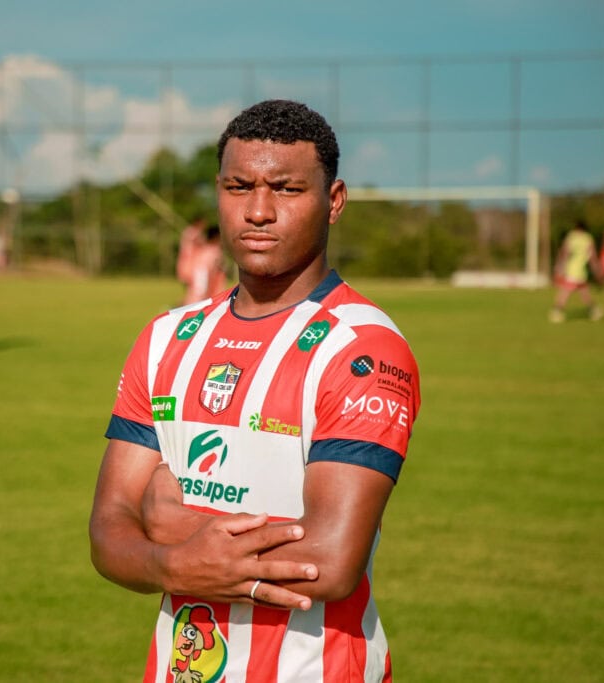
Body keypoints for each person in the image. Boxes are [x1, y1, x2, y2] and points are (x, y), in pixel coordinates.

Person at [89, 100, 421, 682]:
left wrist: (172, 530)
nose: (259, 211)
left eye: (287, 190)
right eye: (239, 187)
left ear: (334, 201)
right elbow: (108, 532)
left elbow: (330, 561)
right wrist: (171, 566)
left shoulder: (363, 350)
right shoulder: (166, 339)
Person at [549, 220, 604, 322]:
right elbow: (593, 258)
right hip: (579, 270)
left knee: (583, 292)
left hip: (572, 269)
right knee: (566, 292)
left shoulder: (571, 236)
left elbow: (564, 253)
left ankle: (594, 310)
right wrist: (597, 271)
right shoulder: (587, 238)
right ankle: (556, 312)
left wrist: (559, 267)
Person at [181, 223, 227, 305]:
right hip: (201, 281)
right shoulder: (210, 251)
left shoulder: (211, 250)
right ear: (216, 237)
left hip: (207, 285)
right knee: (195, 301)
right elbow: (202, 271)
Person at [176, 215, 207, 303]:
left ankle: (186, 303)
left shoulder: (191, 232)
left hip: (192, 264)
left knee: (193, 290)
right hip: (191, 264)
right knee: (195, 290)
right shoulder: (193, 233)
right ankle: (186, 304)